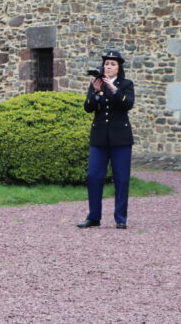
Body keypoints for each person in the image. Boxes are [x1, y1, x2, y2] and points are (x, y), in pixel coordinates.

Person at [78, 50, 135, 229]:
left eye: (113, 64)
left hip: (121, 139)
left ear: (119, 68)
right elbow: (88, 107)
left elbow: (127, 104)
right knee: (93, 176)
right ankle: (94, 216)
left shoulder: (126, 84)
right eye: (107, 64)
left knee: (121, 179)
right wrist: (96, 93)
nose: (108, 66)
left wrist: (112, 88)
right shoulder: (96, 83)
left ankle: (120, 218)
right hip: (100, 138)